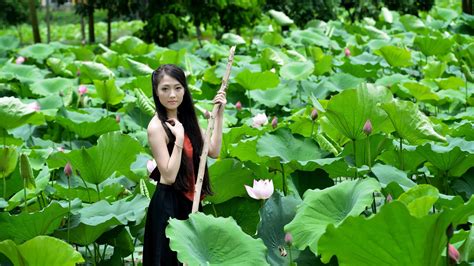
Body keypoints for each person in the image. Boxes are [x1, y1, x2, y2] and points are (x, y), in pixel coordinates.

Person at [142, 64, 226, 265]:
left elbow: (213, 151)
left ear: (185, 89)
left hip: (191, 199)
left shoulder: (187, 118)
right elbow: (169, 176)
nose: (172, 94)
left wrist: (220, 113)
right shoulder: (156, 127)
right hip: (168, 205)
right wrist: (178, 138)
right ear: (156, 91)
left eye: (178, 88)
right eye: (165, 89)